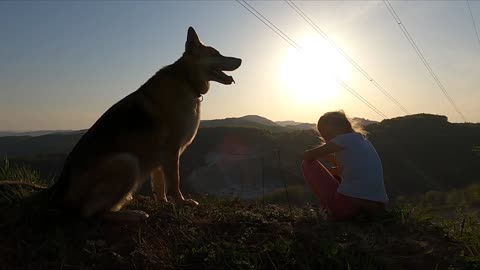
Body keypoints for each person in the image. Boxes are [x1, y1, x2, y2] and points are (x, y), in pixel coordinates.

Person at [303, 111, 388, 221]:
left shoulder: (343, 139)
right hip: (378, 206)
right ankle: (362, 214)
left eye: (327, 134)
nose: (327, 139)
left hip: (347, 206)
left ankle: (329, 210)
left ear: (341, 128)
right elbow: (354, 169)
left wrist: (322, 154)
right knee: (337, 176)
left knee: (307, 163)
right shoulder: (363, 141)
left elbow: (307, 155)